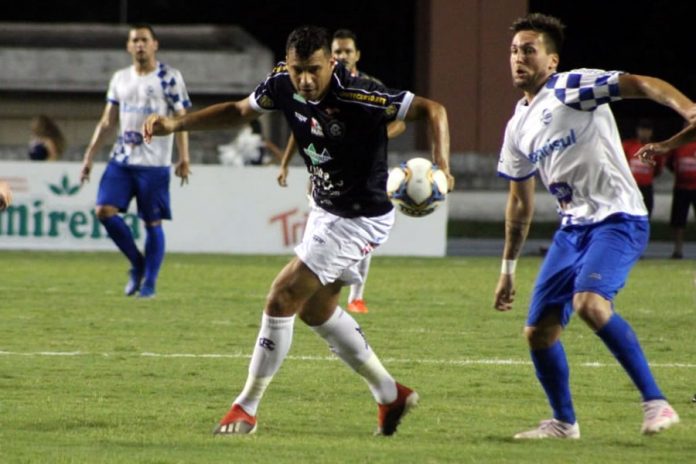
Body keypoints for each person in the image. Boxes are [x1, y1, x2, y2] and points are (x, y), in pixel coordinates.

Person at [144, 25, 453, 436]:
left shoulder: (358, 93)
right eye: (297, 71)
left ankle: (246, 407)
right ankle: (389, 393)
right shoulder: (280, 83)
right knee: (315, 309)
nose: (305, 80)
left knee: (281, 297)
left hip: (360, 216)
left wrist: (442, 165)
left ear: (331, 62)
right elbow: (239, 111)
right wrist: (174, 124)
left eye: (313, 70)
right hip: (325, 210)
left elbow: (434, 110)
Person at [493, 13, 695, 439]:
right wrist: (508, 268)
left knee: (590, 303)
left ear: (552, 61)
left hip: (618, 217)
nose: (518, 58)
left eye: (529, 50)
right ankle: (563, 423)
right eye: (514, 51)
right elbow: (519, 201)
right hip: (573, 229)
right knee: (539, 332)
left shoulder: (570, 86)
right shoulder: (517, 127)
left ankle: (656, 403)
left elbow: (639, 83)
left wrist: (687, 107)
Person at [277, 28, 406, 315]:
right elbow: (299, 126)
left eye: (348, 51)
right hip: (323, 175)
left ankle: (355, 295)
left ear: (356, 55)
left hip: (361, 178)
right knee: (320, 234)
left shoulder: (366, 86)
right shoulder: (316, 85)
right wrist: (286, 163)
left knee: (357, 228)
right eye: (338, 51)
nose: (343, 55)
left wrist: (371, 137)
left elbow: (401, 120)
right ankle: (329, 281)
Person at [79, 24, 191, 298]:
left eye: (144, 40)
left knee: (152, 224)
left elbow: (182, 119)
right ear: (129, 47)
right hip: (122, 159)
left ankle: (149, 283)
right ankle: (138, 263)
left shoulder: (169, 77)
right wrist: (89, 156)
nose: (139, 45)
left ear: (155, 44)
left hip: (154, 165)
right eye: (134, 41)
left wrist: (184, 157)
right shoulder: (120, 78)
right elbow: (107, 121)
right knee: (103, 210)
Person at [635, 122, 696, 259]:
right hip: (681, 187)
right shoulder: (678, 145)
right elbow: (668, 163)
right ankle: (677, 250)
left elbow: (657, 167)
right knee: (678, 221)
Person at [622, 119, 663, 217]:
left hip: (646, 187)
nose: (645, 133)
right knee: (628, 212)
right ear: (638, 131)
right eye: (642, 130)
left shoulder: (655, 148)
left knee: (647, 212)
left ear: (651, 132)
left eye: (647, 130)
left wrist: (647, 178)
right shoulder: (628, 146)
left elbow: (658, 168)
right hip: (631, 186)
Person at [218, 119, 284, 166]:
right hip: (249, 165)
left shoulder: (259, 139)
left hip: (252, 166)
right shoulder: (258, 139)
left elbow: (277, 152)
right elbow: (277, 152)